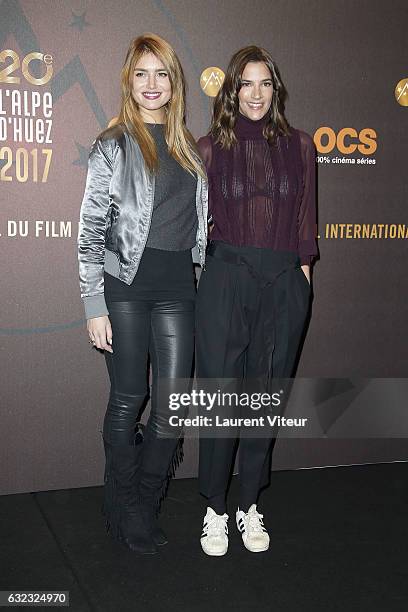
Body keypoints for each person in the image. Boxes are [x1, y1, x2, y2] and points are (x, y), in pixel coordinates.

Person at [78, 33, 207, 555]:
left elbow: (196, 226)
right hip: (125, 288)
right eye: (142, 74)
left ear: (175, 83)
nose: (152, 84)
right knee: (130, 398)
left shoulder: (189, 149)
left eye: (162, 74)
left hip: (179, 287)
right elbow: (91, 228)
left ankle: (146, 500)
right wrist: (93, 303)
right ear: (129, 82)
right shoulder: (113, 144)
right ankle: (127, 504)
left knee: (172, 409)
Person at [196, 45, 317, 556]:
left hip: (283, 280)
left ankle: (249, 504)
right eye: (246, 84)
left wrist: (303, 275)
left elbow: (306, 219)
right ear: (232, 90)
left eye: (265, 83)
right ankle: (214, 510)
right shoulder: (207, 148)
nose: (256, 93)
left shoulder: (302, 145)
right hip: (226, 276)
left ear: (276, 88)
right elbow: (195, 225)